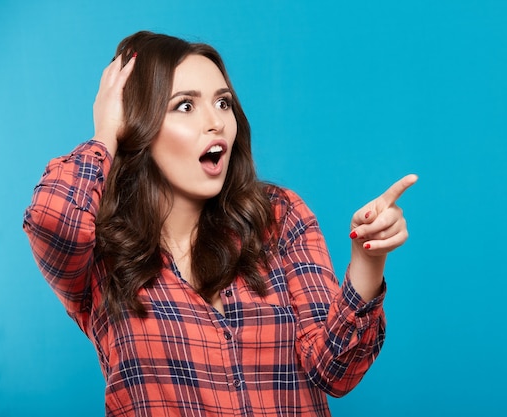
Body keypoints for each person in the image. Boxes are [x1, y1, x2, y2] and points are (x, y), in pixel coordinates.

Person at [23, 31, 417, 417]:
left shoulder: (279, 216)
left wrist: (368, 260)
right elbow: (51, 218)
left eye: (223, 103)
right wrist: (106, 132)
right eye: (185, 106)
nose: (216, 123)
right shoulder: (99, 254)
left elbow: (335, 371)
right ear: (137, 123)